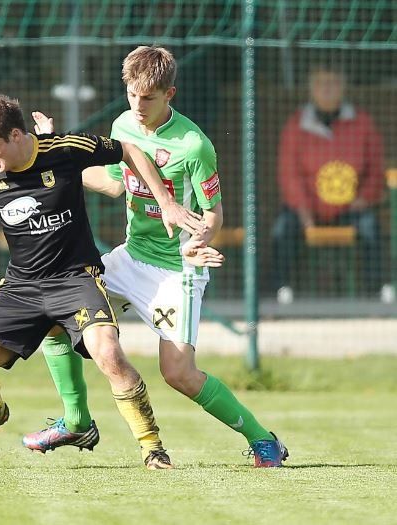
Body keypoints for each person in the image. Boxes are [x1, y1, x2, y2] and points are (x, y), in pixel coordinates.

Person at [22, 46, 288, 468]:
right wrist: (52, 160)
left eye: (148, 97)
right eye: (132, 95)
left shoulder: (194, 146)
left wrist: (199, 240)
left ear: (170, 94)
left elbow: (213, 213)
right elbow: (114, 183)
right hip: (131, 257)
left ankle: (263, 439)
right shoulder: (123, 125)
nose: (138, 105)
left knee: (179, 374)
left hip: (176, 269)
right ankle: (75, 421)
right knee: (56, 320)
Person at [0, 93, 205, 469]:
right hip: (21, 287)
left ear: (17, 135)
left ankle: (152, 448)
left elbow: (129, 150)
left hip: (76, 279)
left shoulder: (65, 149)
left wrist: (166, 203)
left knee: (109, 354)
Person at [272, 62, 388, 304]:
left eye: (333, 82)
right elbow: (288, 174)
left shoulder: (362, 122)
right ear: (311, 88)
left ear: (343, 86)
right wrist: (303, 209)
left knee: (371, 227)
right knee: (282, 229)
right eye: (321, 83)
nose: (327, 89)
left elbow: (376, 168)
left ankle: (376, 290)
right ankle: (282, 288)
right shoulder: (296, 125)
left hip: (351, 207)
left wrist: (364, 198)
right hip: (307, 208)